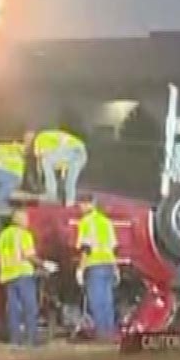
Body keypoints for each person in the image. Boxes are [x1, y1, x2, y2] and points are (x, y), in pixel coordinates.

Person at [73, 194, 119, 341]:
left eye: (81, 204)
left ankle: (101, 334)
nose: (79, 207)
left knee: (96, 301)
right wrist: (116, 268)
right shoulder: (106, 221)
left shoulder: (86, 222)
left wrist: (80, 269)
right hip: (109, 264)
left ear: (89, 204)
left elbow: (86, 248)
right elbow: (113, 247)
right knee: (107, 301)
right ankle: (110, 332)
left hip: (95, 265)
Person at [0, 209, 41, 346]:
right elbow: (29, 255)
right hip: (23, 274)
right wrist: (44, 264)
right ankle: (30, 339)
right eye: (25, 218)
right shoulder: (24, 234)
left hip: (8, 275)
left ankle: (15, 340)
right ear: (18, 220)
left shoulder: (3, 235)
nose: (28, 221)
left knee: (13, 309)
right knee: (30, 307)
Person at [29, 127, 87, 206]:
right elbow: (65, 162)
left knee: (46, 161)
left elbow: (39, 156)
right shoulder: (54, 155)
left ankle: (52, 196)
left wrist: (63, 142)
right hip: (79, 152)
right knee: (70, 181)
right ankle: (70, 201)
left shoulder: (41, 139)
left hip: (72, 149)